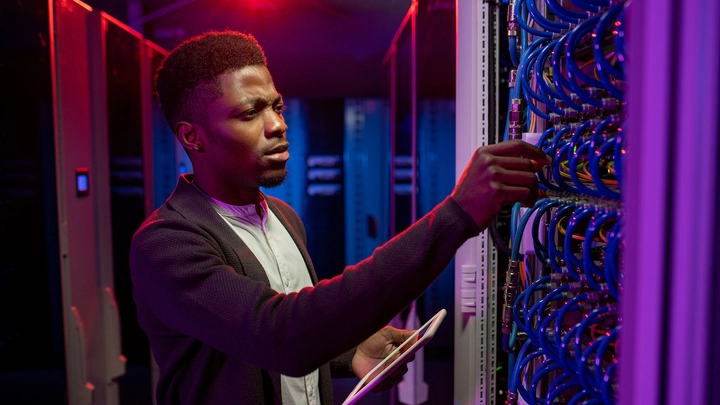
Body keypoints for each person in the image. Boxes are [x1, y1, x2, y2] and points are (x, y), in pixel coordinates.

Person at [129, 30, 550, 405]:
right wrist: (456, 216)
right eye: (249, 113)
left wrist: (351, 354)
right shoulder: (168, 243)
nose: (277, 124)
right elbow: (280, 336)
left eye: (277, 106)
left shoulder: (282, 216)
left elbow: (264, 341)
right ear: (192, 136)